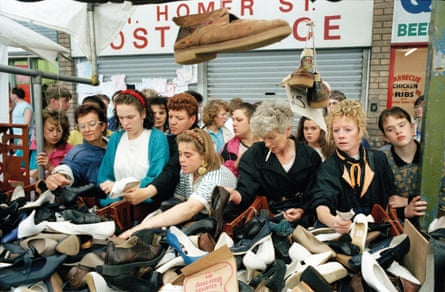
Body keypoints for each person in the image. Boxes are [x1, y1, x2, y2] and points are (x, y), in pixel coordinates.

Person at [119, 128, 237, 239]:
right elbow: (179, 202)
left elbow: (190, 207)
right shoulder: (187, 172)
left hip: (219, 231)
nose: (181, 159)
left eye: (188, 155)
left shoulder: (216, 175)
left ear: (204, 156)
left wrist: (139, 228)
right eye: (180, 154)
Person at [226, 101, 322, 226]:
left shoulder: (309, 157)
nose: (267, 144)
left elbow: (316, 192)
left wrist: (302, 209)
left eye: (271, 138)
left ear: (287, 131)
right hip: (267, 218)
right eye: (263, 138)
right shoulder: (254, 155)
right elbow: (246, 191)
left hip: (303, 219)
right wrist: (234, 195)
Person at [311, 100, 396, 234]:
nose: (341, 135)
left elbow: (391, 197)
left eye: (348, 130)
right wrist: (332, 221)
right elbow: (322, 202)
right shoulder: (329, 166)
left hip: (376, 232)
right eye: (336, 130)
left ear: (360, 131)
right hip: (341, 234)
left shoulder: (379, 159)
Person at [123, 92, 199, 206]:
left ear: (192, 119)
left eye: (179, 118)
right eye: (171, 116)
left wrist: (148, 191)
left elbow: (172, 169)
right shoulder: (170, 138)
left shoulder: (195, 141)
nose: (173, 122)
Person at [97, 89, 169, 207]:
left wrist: (118, 187)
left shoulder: (157, 138)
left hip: (145, 206)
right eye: (121, 117)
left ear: (143, 113)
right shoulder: (115, 138)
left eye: (130, 117)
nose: (125, 123)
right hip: (115, 206)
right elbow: (104, 177)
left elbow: (156, 178)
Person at [378, 106, 427, 224]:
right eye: (390, 129)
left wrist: (407, 201)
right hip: (396, 225)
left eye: (401, 125)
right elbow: (382, 201)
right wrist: (404, 211)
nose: (398, 131)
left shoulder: (431, 155)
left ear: (412, 127)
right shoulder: (381, 158)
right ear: (385, 137)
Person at [44, 103, 108, 192]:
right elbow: (68, 167)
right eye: (82, 126)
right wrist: (59, 176)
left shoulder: (113, 144)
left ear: (103, 126)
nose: (87, 130)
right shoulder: (78, 153)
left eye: (92, 124)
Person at [30, 109, 72, 179]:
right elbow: (13, 172)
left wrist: (50, 167)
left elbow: (70, 178)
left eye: (59, 130)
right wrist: (28, 174)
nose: (55, 134)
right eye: (51, 130)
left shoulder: (69, 150)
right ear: (41, 129)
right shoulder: (29, 148)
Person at [221, 102, 259, 177]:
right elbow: (221, 178)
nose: (234, 124)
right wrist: (235, 165)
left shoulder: (268, 145)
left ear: (252, 121)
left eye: (239, 120)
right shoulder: (228, 149)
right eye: (233, 120)